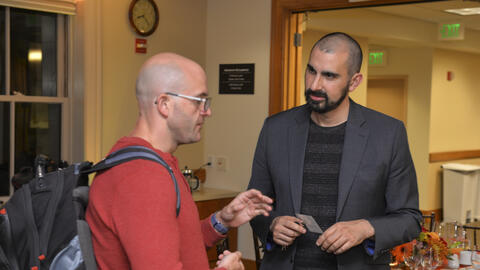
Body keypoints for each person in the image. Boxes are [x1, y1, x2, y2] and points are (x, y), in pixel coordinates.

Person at [248, 32, 422, 270]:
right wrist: (272, 224)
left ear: (354, 82)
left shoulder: (388, 133)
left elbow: (410, 219)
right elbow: (256, 205)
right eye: (311, 71)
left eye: (329, 76)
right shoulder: (276, 128)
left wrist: (365, 228)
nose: (314, 85)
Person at [85, 53, 273, 270]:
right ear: (164, 104)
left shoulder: (153, 164)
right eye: (199, 101)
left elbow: (176, 245)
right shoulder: (143, 178)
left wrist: (222, 220)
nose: (207, 111)